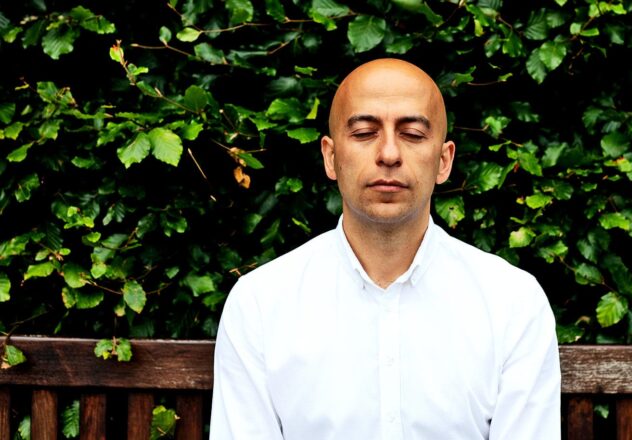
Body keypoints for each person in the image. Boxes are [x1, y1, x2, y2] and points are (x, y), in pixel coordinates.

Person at [210, 59, 561, 439]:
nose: (389, 154)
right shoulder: (261, 304)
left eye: (412, 134)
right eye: (364, 133)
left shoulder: (512, 302)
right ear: (331, 157)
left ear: (444, 161)